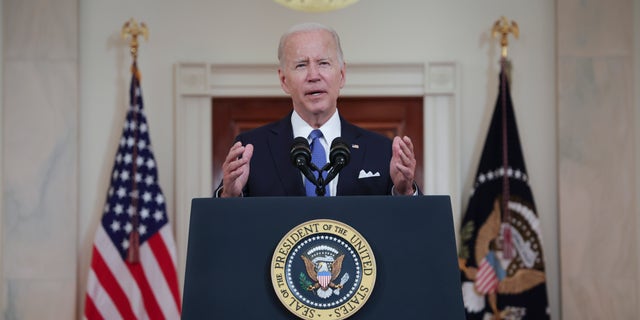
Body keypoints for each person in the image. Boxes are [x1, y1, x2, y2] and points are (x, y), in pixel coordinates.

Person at [217, 22, 419, 197]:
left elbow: (413, 231)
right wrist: (230, 196)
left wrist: (403, 192)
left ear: (342, 74)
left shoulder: (381, 150)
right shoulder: (252, 149)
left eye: (323, 63)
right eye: (301, 65)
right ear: (283, 80)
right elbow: (221, 229)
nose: (314, 75)